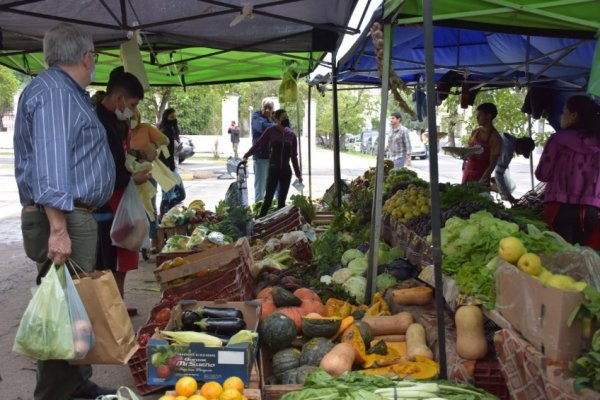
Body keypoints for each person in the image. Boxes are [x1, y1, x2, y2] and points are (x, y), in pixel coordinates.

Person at [14, 22, 116, 400]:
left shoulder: (64, 91)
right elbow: (53, 168)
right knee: (61, 307)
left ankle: (75, 382)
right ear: (88, 58)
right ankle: (56, 392)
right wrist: (58, 228)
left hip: (71, 213)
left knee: (74, 306)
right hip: (63, 215)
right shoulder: (57, 93)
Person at [94, 67, 148, 315]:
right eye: (133, 104)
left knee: (122, 258)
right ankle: (111, 314)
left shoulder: (116, 120)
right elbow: (106, 167)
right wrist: (131, 178)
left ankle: (117, 306)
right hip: (106, 204)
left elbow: (120, 157)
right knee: (109, 262)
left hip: (120, 198)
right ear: (119, 99)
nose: (133, 110)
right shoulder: (98, 123)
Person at [535, 95, 600, 246]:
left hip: (560, 207)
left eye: (564, 112)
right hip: (590, 209)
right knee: (582, 258)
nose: (561, 116)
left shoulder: (558, 140)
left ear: (574, 115)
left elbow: (543, 174)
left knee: (562, 257)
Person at [243, 109, 302, 217]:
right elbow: (258, 144)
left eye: (287, 117)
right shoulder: (271, 131)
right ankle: (260, 222)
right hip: (273, 169)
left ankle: (279, 227)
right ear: (277, 119)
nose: (286, 119)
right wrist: (247, 155)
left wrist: (298, 174)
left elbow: (294, 157)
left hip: (286, 171)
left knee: (282, 202)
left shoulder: (292, 135)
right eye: (283, 117)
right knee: (268, 199)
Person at [462, 102, 503, 185]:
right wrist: (462, 154)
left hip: (481, 177)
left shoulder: (495, 138)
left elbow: (492, 164)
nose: (477, 117)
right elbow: (468, 152)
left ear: (489, 116)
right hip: (468, 173)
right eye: (477, 115)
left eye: (480, 115)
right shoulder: (475, 132)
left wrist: (481, 182)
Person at [158, 108, 186, 216]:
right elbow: (163, 153)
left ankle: (168, 213)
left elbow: (171, 150)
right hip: (166, 168)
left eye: (175, 117)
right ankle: (165, 217)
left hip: (173, 167)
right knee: (167, 195)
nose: (174, 119)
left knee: (180, 195)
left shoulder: (173, 131)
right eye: (171, 117)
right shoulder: (164, 132)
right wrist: (169, 168)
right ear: (166, 118)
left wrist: (178, 149)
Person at [494, 134, 536, 203]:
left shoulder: (509, 138)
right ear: (520, 146)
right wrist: (509, 196)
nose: (521, 154)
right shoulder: (508, 150)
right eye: (523, 151)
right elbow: (498, 174)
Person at [251, 99, 276, 202]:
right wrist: (276, 125)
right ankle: (258, 211)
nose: (267, 110)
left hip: (275, 157)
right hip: (261, 156)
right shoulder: (256, 117)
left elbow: (287, 127)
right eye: (265, 107)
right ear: (261, 107)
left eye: (270, 108)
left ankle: (272, 211)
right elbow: (263, 127)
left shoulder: (275, 116)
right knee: (260, 187)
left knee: (274, 186)